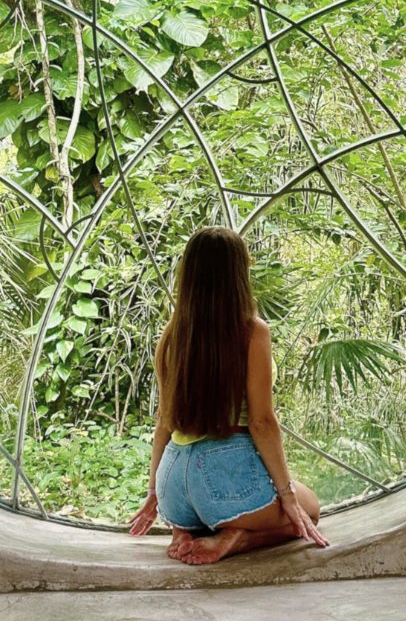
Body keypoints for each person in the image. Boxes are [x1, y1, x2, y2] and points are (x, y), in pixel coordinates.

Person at [128, 226, 330, 564]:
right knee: (310, 509)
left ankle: (189, 528)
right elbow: (262, 422)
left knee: (215, 505)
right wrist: (287, 497)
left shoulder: (171, 334)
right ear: (239, 272)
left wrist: (154, 494)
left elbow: (164, 421)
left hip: (172, 483)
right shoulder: (252, 331)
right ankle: (236, 538)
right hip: (222, 480)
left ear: (188, 276)